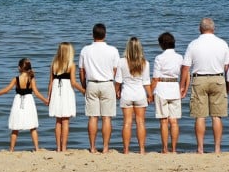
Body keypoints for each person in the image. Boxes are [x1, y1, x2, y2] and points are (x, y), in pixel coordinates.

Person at [179, 18, 229, 154]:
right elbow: (227, 66)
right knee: (217, 116)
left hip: (199, 80)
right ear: (214, 29)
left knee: (199, 116)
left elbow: (185, 68)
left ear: (199, 29)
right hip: (218, 78)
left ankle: (200, 148)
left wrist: (182, 86)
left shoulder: (193, 44)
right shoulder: (222, 43)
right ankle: (217, 148)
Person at [79, 23, 120, 154]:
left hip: (91, 83)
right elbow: (116, 70)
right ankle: (106, 147)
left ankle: (92, 147)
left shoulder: (85, 50)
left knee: (93, 117)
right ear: (105, 34)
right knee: (107, 117)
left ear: (93, 35)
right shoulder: (113, 50)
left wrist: (84, 85)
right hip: (107, 83)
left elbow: (81, 71)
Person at [0, 58, 49, 152]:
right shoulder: (31, 78)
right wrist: (45, 100)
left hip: (18, 102)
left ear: (19, 68)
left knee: (15, 127)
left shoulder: (16, 79)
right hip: (29, 102)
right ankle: (37, 148)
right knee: (32, 126)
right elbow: (36, 92)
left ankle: (11, 149)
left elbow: (6, 90)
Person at [114, 37, 152, 154]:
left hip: (126, 95)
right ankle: (141, 149)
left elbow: (118, 80)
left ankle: (126, 150)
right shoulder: (145, 63)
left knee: (127, 122)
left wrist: (116, 91)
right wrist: (150, 95)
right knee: (140, 122)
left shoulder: (121, 62)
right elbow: (146, 82)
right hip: (140, 94)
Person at [47, 42, 85, 152]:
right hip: (66, 92)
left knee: (58, 121)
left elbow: (50, 82)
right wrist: (82, 90)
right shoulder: (71, 65)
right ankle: (64, 147)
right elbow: (73, 82)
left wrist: (49, 97)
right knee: (65, 121)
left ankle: (58, 147)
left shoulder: (54, 64)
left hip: (56, 91)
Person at [149, 32, 183, 154]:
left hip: (162, 88)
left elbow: (155, 78)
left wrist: (150, 93)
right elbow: (184, 74)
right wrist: (184, 88)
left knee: (163, 121)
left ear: (161, 45)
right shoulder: (180, 57)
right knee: (174, 121)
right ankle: (174, 149)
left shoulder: (159, 58)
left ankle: (165, 149)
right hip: (174, 87)